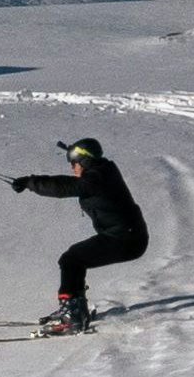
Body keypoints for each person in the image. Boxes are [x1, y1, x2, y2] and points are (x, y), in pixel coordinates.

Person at [12, 136, 148, 335]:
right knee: (75, 259)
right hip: (126, 236)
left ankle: (72, 317)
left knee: (71, 260)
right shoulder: (102, 172)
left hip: (125, 239)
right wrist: (30, 182)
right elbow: (69, 182)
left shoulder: (96, 177)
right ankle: (76, 311)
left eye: (74, 163)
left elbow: (65, 186)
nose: (72, 169)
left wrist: (30, 182)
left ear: (84, 161)